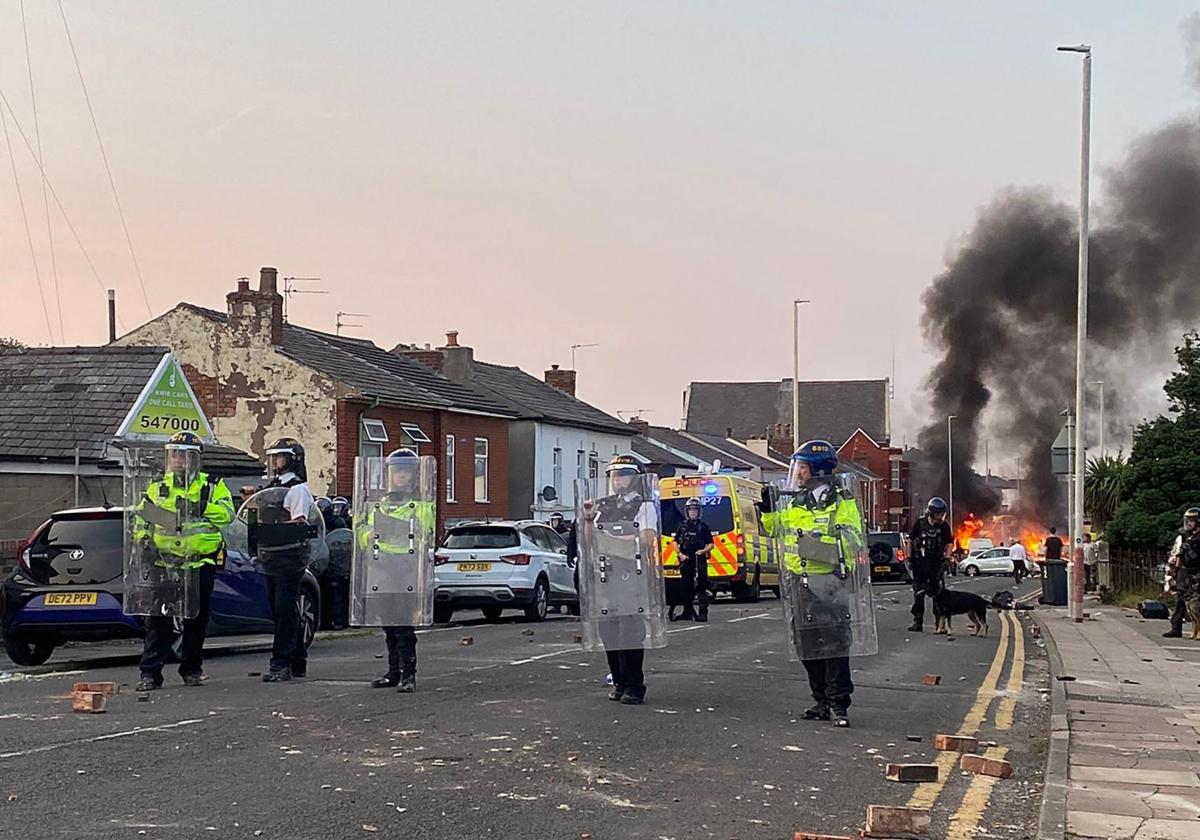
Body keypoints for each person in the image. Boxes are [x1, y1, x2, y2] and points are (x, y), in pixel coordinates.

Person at [763, 440, 867, 728]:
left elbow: (851, 541)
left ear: (819, 470)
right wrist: (768, 509)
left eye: (804, 467)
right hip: (799, 581)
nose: (798, 474)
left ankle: (838, 703)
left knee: (834, 643)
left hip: (829, 582)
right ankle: (820, 698)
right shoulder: (796, 501)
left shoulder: (842, 502)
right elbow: (776, 530)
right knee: (805, 643)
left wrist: (813, 545)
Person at [133, 432, 235, 692]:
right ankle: (150, 674)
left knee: (195, 623)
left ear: (194, 459)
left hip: (199, 564)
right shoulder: (157, 486)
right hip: (164, 564)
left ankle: (191, 669)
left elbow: (227, 515)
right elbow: (142, 520)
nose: (177, 459)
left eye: (183, 454)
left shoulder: (211, 485)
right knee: (158, 621)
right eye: (173, 454)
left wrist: (202, 506)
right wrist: (145, 544)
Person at [581, 454, 659, 705]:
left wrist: (612, 542)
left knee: (630, 632)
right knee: (609, 633)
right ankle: (619, 682)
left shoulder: (643, 505)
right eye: (614, 476)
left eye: (623, 475)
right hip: (605, 575)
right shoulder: (603, 506)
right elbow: (589, 540)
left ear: (635, 479)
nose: (617, 481)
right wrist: (586, 520)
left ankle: (635, 685)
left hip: (631, 574)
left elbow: (646, 538)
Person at [361, 448, 435, 693]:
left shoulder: (420, 506)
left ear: (414, 476)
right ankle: (393, 671)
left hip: (405, 567)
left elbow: (426, 534)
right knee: (388, 624)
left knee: (403, 624)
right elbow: (361, 533)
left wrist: (404, 530)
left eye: (405, 473)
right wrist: (367, 535)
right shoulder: (378, 505)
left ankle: (408, 674)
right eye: (396, 472)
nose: (399, 477)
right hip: (381, 567)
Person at [258, 437, 317, 683]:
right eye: (273, 457)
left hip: (291, 556)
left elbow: (299, 522)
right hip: (272, 555)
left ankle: (281, 662)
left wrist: (275, 527)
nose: (275, 461)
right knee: (283, 610)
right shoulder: (272, 486)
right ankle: (297, 659)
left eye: (279, 457)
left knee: (284, 609)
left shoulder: (297, 489)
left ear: (293, 460)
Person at [907, 497, 954, 632]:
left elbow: (949, 543)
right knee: (919, 593)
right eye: (939, 513)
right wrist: (909, 557)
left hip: (936, 563)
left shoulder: (944, 527)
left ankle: (939, 624)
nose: (941, 516)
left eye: (942, 513)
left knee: (938, 595)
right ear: (931, 512)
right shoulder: (920, 524)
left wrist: (947, 558)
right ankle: (917, 622)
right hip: (920, 563)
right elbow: (910, 540)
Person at [670, 498, 714, 622]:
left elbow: (711, 544)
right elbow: (674, 542)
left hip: (698, 560)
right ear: (687, 512)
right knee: (686, 587)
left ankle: (703, 613)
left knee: (701, 586)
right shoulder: (683, 526)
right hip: (686, 560)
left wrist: (702, 551)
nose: (693, 513)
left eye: (695, 510)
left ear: (699, 512)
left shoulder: (703, 527)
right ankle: (687, 612)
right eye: (691, 510)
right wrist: (679, 554)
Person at [1163, 507, 1200, 638]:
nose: (1189, 523)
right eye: (1188, 520)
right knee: (1181, 600)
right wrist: (1175, 570)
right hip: (1185, 573)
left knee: (1195, 603)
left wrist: (1189, 551)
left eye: (1192, 520)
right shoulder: (1187, 536)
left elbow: (1195, 557)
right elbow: (1180, 554)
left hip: (1196, 573)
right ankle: (1176, 627)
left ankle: (1198, 630)